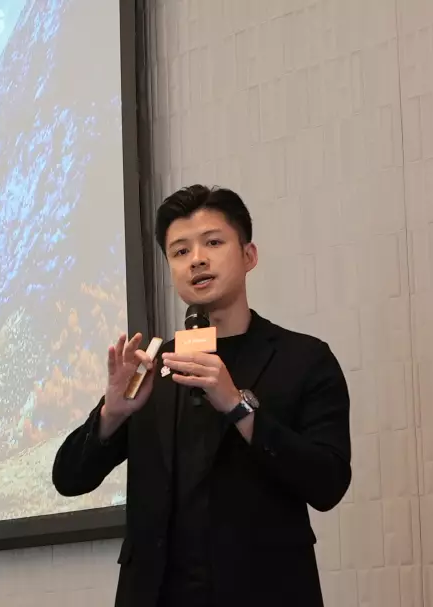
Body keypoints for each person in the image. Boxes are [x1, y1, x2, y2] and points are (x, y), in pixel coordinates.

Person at [52, 185, 352, 607]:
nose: (196, 259)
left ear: (249, 255)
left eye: (213, 243)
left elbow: (328, 484)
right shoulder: (150, 367)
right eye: (180, 251)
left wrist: (238, 407)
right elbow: (68, 478)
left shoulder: (303, 359)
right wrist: (111, 414)